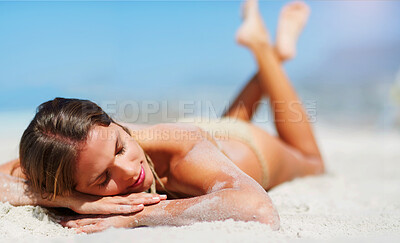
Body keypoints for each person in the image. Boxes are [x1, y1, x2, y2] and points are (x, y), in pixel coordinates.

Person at [0, 0, 323, 233]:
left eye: (120, 147)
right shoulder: (69, 150)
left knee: (312, 161)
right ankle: (276, 52)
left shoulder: (179, 155)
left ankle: (264, 49)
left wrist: (136, 216)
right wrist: (69, 199)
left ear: (114, 123)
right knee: (233, 120)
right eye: (102, 178)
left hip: (250, 149)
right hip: (214, 138)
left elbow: (258, 209)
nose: (129, 170)